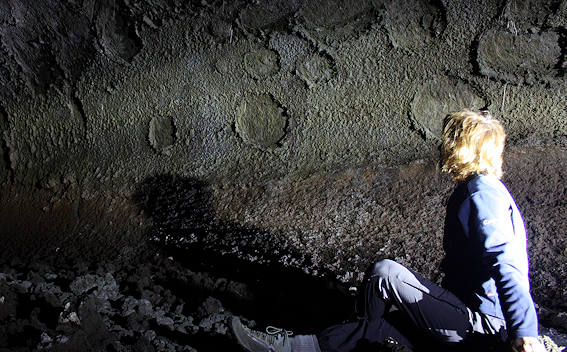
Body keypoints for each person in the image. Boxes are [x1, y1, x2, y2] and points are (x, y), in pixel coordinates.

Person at [230, 109, 546, 352]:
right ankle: (287, 347)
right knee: (376, 328)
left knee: (385, 273)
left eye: (449, 140)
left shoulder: (483, 192)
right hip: (466, 316)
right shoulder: (477, 190)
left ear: (463, 148)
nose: (442, 146)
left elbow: (507, 263)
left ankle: (352, 333)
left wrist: (525, 333)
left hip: (480, 325)